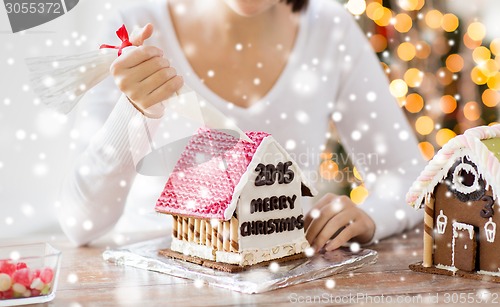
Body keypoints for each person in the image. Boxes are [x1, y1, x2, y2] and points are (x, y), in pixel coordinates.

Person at [59, 0, 424, 250]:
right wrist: (134, 112)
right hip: (152, 277)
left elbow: (408, 177)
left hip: (284, 277)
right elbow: (81, 224)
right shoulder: (133, 23)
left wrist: (370, 217)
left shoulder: (329, 28)